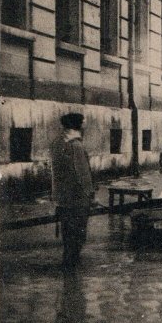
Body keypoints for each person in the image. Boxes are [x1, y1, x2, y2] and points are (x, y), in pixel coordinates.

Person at [50, 112, 95, 269]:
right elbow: (83, 174)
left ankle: (68, 262)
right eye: (84, 122)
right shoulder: (76, 146)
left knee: (67, 232)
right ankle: (71, 268)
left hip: (62, 197)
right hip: (78, 198)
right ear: (79, 125)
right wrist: (90, 194)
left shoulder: (58, 142)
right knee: (78, 233)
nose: (86, 125)